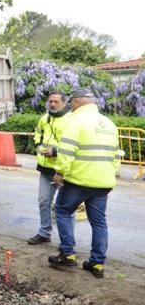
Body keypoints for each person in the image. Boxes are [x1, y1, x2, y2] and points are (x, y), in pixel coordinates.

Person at [48, 89, 120, 279]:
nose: (70, 105)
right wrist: (108, 177)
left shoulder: (75, 121)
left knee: (62, 212)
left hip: (78, 181)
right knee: (99, 223)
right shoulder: (109, 123)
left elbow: (67, 152)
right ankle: (97, 264)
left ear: (78, 102)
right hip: (102, 183)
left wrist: (60, 172)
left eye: (71, 102)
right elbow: (116, 156)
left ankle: (68, 254)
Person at [27, 91, 70, 245]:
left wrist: (55, 152)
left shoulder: (71, 120)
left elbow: (75, 145)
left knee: (65, 208)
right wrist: (38, 146)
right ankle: (44, 233)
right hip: (45, 170)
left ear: (64, 103)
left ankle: (66, 242)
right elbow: (38, 133)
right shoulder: (45, 118)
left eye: (56, 101)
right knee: (44, 202)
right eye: (50, 101)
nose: (52, 104)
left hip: (64, 171)